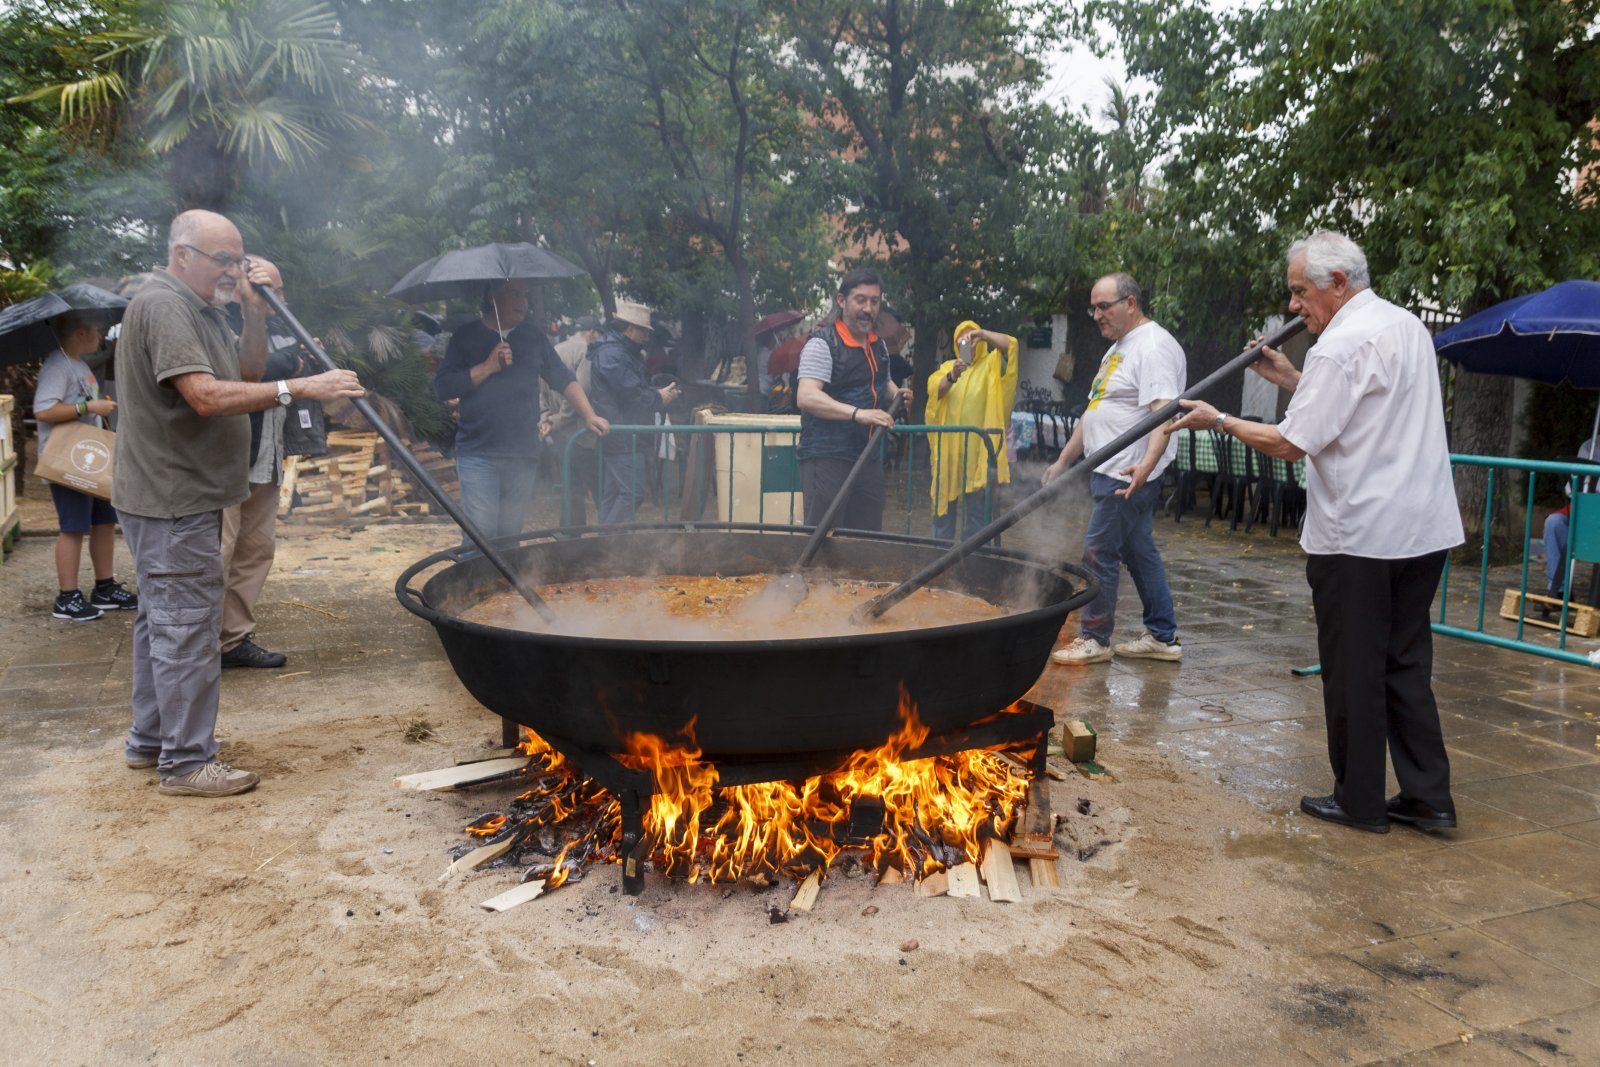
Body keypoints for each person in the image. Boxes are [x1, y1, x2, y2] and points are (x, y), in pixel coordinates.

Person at [1167, 231, 1464, 834]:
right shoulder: (1405, 326)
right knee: (1405, 661)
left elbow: (1289, 443)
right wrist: (1290, 378)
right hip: (1421, 529)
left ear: (1337, 283)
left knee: (1353, 666)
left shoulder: (1340, 345)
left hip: (1359, 534)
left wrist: (1217, 419)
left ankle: (1359, 801)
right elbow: (1353, 411)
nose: (1294, 306)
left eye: (1300, 292)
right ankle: (1429, 797)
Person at [114, 209, 366, 798]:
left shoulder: (202, 311)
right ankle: (186, 762)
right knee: (186, 629)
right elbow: (204, 396)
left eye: (238, 259)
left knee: (162, 622)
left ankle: (150, 741)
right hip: (174, 495)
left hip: (183, 492)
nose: (234, 269)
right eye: (223, 259)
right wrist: (302, 387)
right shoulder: (164, 305)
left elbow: (246, 371)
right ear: (183, 255)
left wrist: (255, 309)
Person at [1045, 272, 1186, 665]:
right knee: (1139, 551)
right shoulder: (1119, 348)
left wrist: (1147, 466)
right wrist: (1063, 461)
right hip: (1109, 467)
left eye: (1104, 306)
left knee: (1098, 551)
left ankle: (1095, 638)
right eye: (1093, 307)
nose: (1096, 314)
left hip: (1127, 471)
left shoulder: (1153, 346)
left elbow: (1165, 414)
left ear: (1131, 303)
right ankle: (1163, 635)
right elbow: (1095, 410)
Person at [433, 281, 609, 541]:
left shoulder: (533, 337)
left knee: (509, 537)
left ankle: (503, 583)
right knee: (480, 536)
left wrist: (589, 414)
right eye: (515, 295)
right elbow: (443, 388)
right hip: (478, 453)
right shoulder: (465, 336)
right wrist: (488, 367)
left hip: (523, 454)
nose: (523, 302)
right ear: (492, 297)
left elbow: (564, 378)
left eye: (525, 295)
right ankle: (473, 582)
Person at [32, 311, 138, 621]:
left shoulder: (78, 365)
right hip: (67, 463)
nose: (102, 335)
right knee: (73, 527)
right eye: (98, 330)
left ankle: (104, 588)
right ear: (80, 332)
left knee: (104, 522)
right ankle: (67, 596)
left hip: (87, 462)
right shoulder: (57, 365)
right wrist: (87, 406)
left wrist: (93, 404)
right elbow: (43, 410)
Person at [218, 334, 312, 669]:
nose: (279, 299)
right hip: (227, 462)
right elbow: (247, 371)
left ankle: (231, 640)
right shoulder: (222, 320)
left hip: (267, 457)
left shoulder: (284, 332)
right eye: (270, 288)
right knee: (220, 552)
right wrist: (292, 359)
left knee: (256, 550)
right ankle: (197, 646)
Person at [795, 269, 908, 531]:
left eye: (875, 301)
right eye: (861, 300)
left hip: (867, 458)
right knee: (823, 541)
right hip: (826, 457)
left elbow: (883, 381)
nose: (868, 308)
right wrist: (858, 413)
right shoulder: (822, 344)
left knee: (865, 542)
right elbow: (807, 396)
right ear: (842, 301)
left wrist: (896, 394)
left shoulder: (877, 345)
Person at [925, 320, 1019, 542]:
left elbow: (1011, 346)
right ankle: (939, 560)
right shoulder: (947, 367)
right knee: (943, 514)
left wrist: (985, 334)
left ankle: (974, 563)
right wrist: (952, 376)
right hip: (949, 455)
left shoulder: (993, 364)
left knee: (977, 515)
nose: (967, 342)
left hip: (978, 454)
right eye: (962, 338)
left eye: (972, 337)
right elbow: (934, 391)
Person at [588, 302, 679, 524]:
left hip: (620, 434)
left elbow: (631, 390)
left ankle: (603, 547)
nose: (646, 336)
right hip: (622, 436)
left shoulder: (616, 352)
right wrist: (659, 398)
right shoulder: (613, 355)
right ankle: (606, 541)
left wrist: (656, 395)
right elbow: (631, 395)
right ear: (629, 329)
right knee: (632, 493)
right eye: (644, 330)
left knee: (613, 493)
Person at [543, 316, 603, 524]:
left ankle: (571, 536)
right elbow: (581, 391)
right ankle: (610, 537)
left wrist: (546, 419)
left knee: (571, 486)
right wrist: (561, 419)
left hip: (558, 431)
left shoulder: (555, 349)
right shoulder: (586, 350)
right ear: (593, 332)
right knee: (598, 485)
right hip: (582, 432)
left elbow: (539, 389)